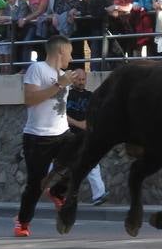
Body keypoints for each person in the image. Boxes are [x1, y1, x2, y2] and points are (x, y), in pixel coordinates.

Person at [14, 35, 78, 237]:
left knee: (81, 156)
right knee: (35, 184)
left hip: (62, 132)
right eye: (69, 52)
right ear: (60, 51)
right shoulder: (37, 69)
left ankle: (58, 191)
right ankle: (22, 222)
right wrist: (59, 85)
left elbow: (57, 107)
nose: (71, 57)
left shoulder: (62, 74)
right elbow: (30, 99)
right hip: (37, 137)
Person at [63, 71, 107, 206]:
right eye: (78, 79)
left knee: (92, 165)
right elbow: (60, 114)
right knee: (60, 166)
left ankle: (99, 195)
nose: (81, 82)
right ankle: (44, 188)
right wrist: (79, 124)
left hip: (85, 137)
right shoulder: (66, 95)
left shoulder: (90, 96)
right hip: (68, 135)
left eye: (83, 79)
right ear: (73, 80)